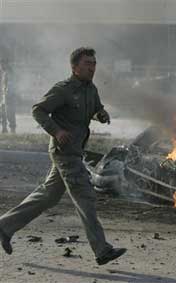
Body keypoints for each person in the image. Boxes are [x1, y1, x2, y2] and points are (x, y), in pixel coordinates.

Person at [0, 47, 127, 265]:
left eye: (94, 63)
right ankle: (102, 249)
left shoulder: (91, 89)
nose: (92, 67)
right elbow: (38, 110)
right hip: (64, 152)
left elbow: (95, 109)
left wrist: (101, 115)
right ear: (75, 67)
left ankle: (4, 226)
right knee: (85, 197)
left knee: (49, 195)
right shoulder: (63, 89)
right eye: (87, 63)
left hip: (75, 151)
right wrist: (57, 131)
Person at [0, 59, 16, 134]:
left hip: (9, 96)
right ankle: (4, 129)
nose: (1, 66)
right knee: (2, 112)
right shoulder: (5, 73)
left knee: (9, 113)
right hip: (5, 96)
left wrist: (7, 95)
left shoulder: (9, 73)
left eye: (2, 64)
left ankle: (12, 129)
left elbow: (10, 85)